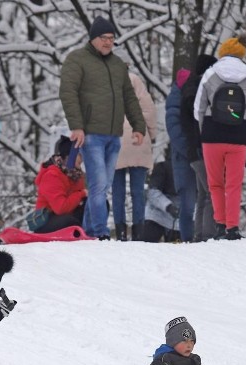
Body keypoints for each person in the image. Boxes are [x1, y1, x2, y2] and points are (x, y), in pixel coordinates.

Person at [59, 14, 147, 239]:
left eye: (111, 38)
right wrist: (77, 126)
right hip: (90, 135)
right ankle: (100, 233)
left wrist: (138, 126)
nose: (108, 42)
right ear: (92, 39)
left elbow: (129, 97)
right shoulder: (77, 59)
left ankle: (88, 230)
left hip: (113, 136)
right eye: (103, 37)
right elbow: (68, 92)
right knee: (99, 185)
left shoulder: (118, 65)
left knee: (102, 187)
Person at [194, 35, 246, 240]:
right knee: (234, 184)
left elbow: (198, 109)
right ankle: (233, 228)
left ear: (222, 52)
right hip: (238, 137)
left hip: (212, 136)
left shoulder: (210, 74)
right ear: (242, 54)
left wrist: (205, 131)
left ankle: (220, 225)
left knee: (215, 184)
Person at [112, 71, 157, 241]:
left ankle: (121, 232)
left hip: (114, 140)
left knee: (118, 191)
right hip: (137, 138)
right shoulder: (135, 80)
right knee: (138, 191)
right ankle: (139, 232)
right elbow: (149, 109)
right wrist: (151, 134)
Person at [180, 54, 218, 241]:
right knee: (212, 191)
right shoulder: (198, 90)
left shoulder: (189, 88)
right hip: (201, 149)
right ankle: (208, 235)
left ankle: (199, 235)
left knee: (203, 194)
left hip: (193, 150)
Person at [33, 135, 88, 233]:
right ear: (69, 156)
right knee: (70, 222)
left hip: (67, 215)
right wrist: (81, 193)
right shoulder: (52, 175)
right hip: (46, 220)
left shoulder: (77, 174)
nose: (82, 158)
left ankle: (91, 233)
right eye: (80, 154)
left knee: (97, 204)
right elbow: (61, 208)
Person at [165, 68, 196, 242]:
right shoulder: (176, 101)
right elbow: (174, 130)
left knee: (192, 202)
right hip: (184, 159)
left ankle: (195, 237)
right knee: (187, 203)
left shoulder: (180, 99)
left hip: (189, 155)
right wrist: (190, 151)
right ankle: (187, 239)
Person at [141, 152, 181, 243]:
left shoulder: (192, 169)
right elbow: (152, 192)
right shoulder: (162, 167)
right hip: (156, 216)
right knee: (146, 245)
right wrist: (168, 206)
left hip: (179, 221)